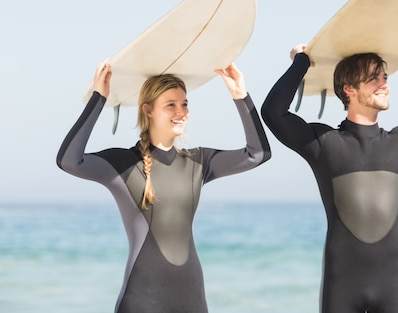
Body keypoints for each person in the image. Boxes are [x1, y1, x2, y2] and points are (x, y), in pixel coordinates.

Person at [261, 44, 398, 313]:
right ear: (349, 90)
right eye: (373, 78)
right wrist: (301, 62)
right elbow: (273, 112)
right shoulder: (323, 143)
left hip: (394, 287)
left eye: (385, 77)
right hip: (341, 286)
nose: (384, 84)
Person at [57, 60, 271, 313]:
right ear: (148, 111)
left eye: (184, 104)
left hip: (192, 300)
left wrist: (241, 96)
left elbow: (258, 154)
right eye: (171, 105)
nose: (181, 112)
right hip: (140, 302)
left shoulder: (197, 161)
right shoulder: (124, 164)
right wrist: (99, 98)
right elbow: (69, 161)